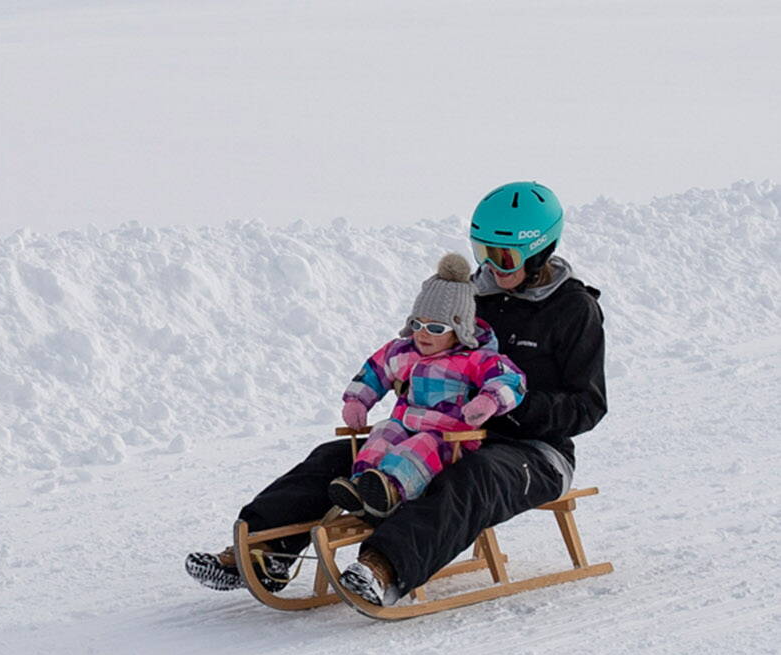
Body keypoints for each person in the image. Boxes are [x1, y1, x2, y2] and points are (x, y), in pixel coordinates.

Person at [185, 181, 605, 608]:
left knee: (472, 478)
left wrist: (507, 409)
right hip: (438, 434)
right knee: (338, 457)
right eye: (483, 252)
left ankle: (382, 568)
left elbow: (588, 406)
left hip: (530, 450)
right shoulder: (469, 295)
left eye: (504, 256)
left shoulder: (573, 310)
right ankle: (261, 552)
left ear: (540, 251)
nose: (492, 267)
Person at [325, 252, 526, 523]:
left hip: (449, 440)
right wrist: (357, 400)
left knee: (421, 444)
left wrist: (489, 400)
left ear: (460, 329)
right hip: (406, 425)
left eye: (435, 327)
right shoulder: (405, 351)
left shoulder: (474, 358)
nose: (422, 333)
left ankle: (391, 490)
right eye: (417, 324)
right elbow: (376, 369)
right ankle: (362, 486)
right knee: (385, 430)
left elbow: (511, 380)